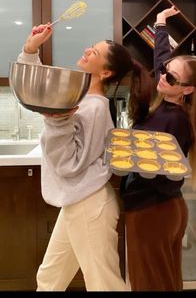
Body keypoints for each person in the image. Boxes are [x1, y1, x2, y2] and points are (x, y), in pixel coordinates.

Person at [16, 23, 154, 291]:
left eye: (95, 52)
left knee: (104, 284)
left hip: (89, 205)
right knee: (49, 278)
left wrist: (57, 123)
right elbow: (39, 88)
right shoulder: (78, 99)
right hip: (79, 202)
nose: (86, 51)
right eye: (91, 47)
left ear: (105, 72)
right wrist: (31, 48)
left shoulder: (93, 108)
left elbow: (70, 164)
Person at [120, 6, 196, 291]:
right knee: (166, 281)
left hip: (152, 213)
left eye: (171, 78)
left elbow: (154, 173)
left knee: (150, 285)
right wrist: (160, 23)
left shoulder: (173, 121)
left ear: (187, 90)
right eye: (165, 72)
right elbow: (162, 61)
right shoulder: (172, 100)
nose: (162, 77)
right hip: (166, 210)